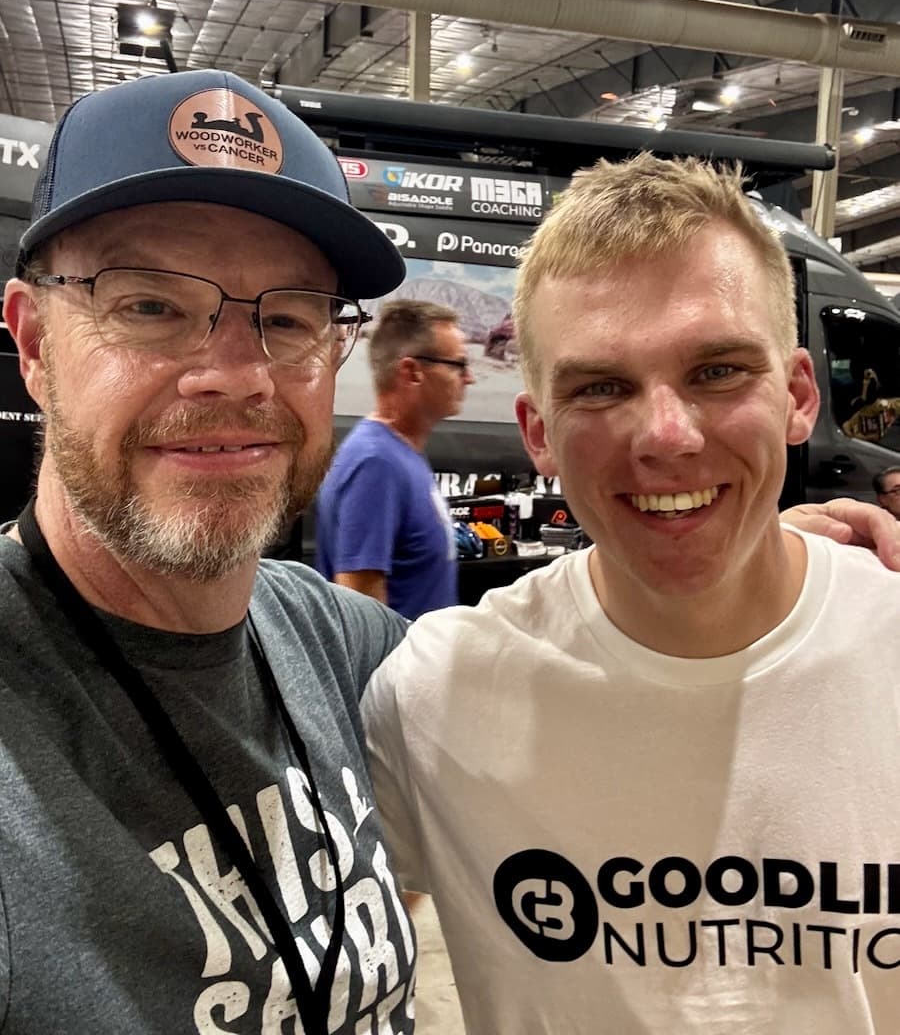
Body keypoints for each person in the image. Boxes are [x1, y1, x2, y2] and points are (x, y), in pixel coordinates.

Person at [362, 152, 900, 1033]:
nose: (665, 435)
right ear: (538, 432)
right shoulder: (437, 696)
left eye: (718, 371)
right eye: (601, 387)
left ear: (798, 395)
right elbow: (347, 961)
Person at [0, 69, 417, 1033]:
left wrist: (759, 563)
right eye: (150, 305)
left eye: (286, 318)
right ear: (32, 342)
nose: (232, 376)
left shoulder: (340, 642)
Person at [316, 300, 473, 619]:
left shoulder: (400, 452)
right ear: (412, 372)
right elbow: (360, 610)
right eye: (458, 365)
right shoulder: (376, 464)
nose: (468, 378)